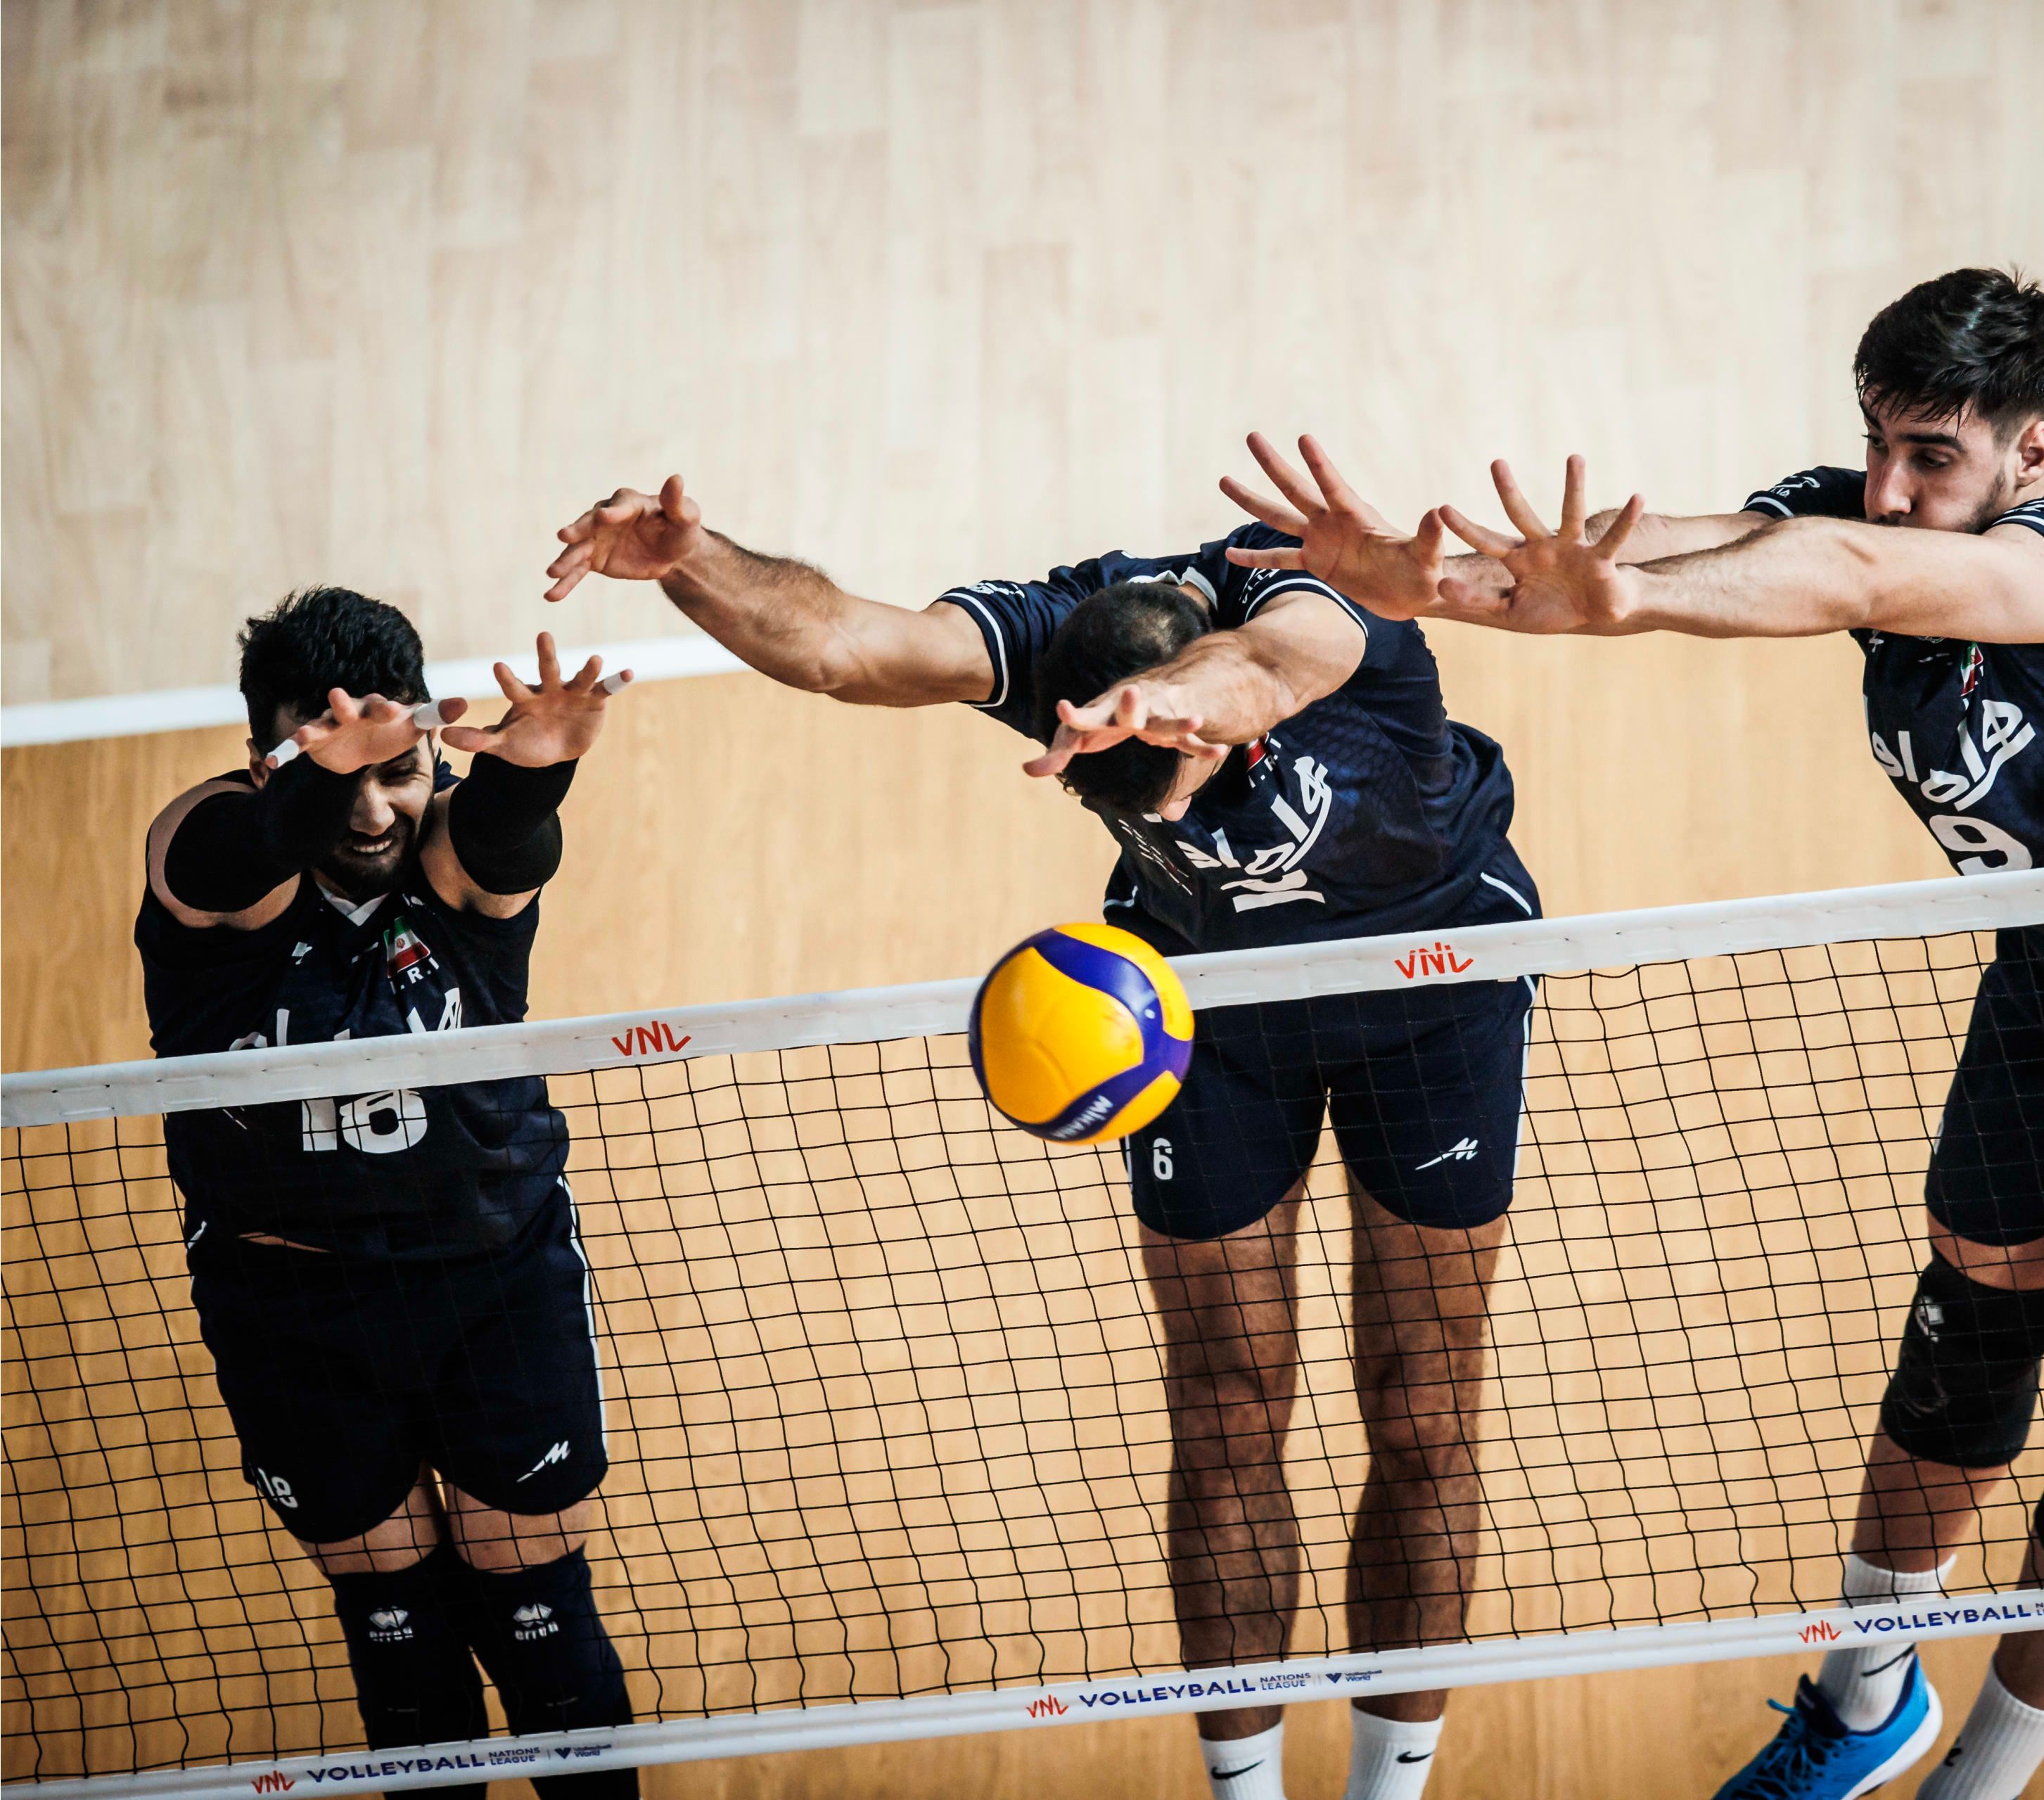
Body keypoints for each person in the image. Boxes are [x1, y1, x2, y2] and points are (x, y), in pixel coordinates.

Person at [1220, 267, 2044, 1800]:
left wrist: (1635, 601)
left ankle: (1982, 1779)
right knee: (1961, 1344)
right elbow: (1662, 548)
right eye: (1882, 446)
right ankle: (1864, 1707)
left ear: (2032, 454)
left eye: (1938, 459)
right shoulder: (1855, 512)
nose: (1898, 490)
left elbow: (1848, 575)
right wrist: (1427, 577)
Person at [543, 479, 1545, 1800]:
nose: (1154, 813)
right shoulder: (1063, 644)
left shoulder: (1322, 604)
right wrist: (692, 560)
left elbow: (1272, 657)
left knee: (1423, 1412)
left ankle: (1389, 1786)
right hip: (1205, 1016)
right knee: (1227, 1408)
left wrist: (1189, 700)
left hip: (1432, 988)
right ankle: (1246, 1793)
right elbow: (850, 647)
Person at [139, 590, 640, 1799]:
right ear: (267, 757)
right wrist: (319, 778)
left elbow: (510, 846)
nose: (377, 813)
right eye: (337, 776)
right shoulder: (211, 846)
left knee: (531, 1605)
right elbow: (244, 855)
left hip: (495, 1279)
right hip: (294, 1309)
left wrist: (537, 774)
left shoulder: (452, 850)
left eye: (400, 771)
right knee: (398, 1623)